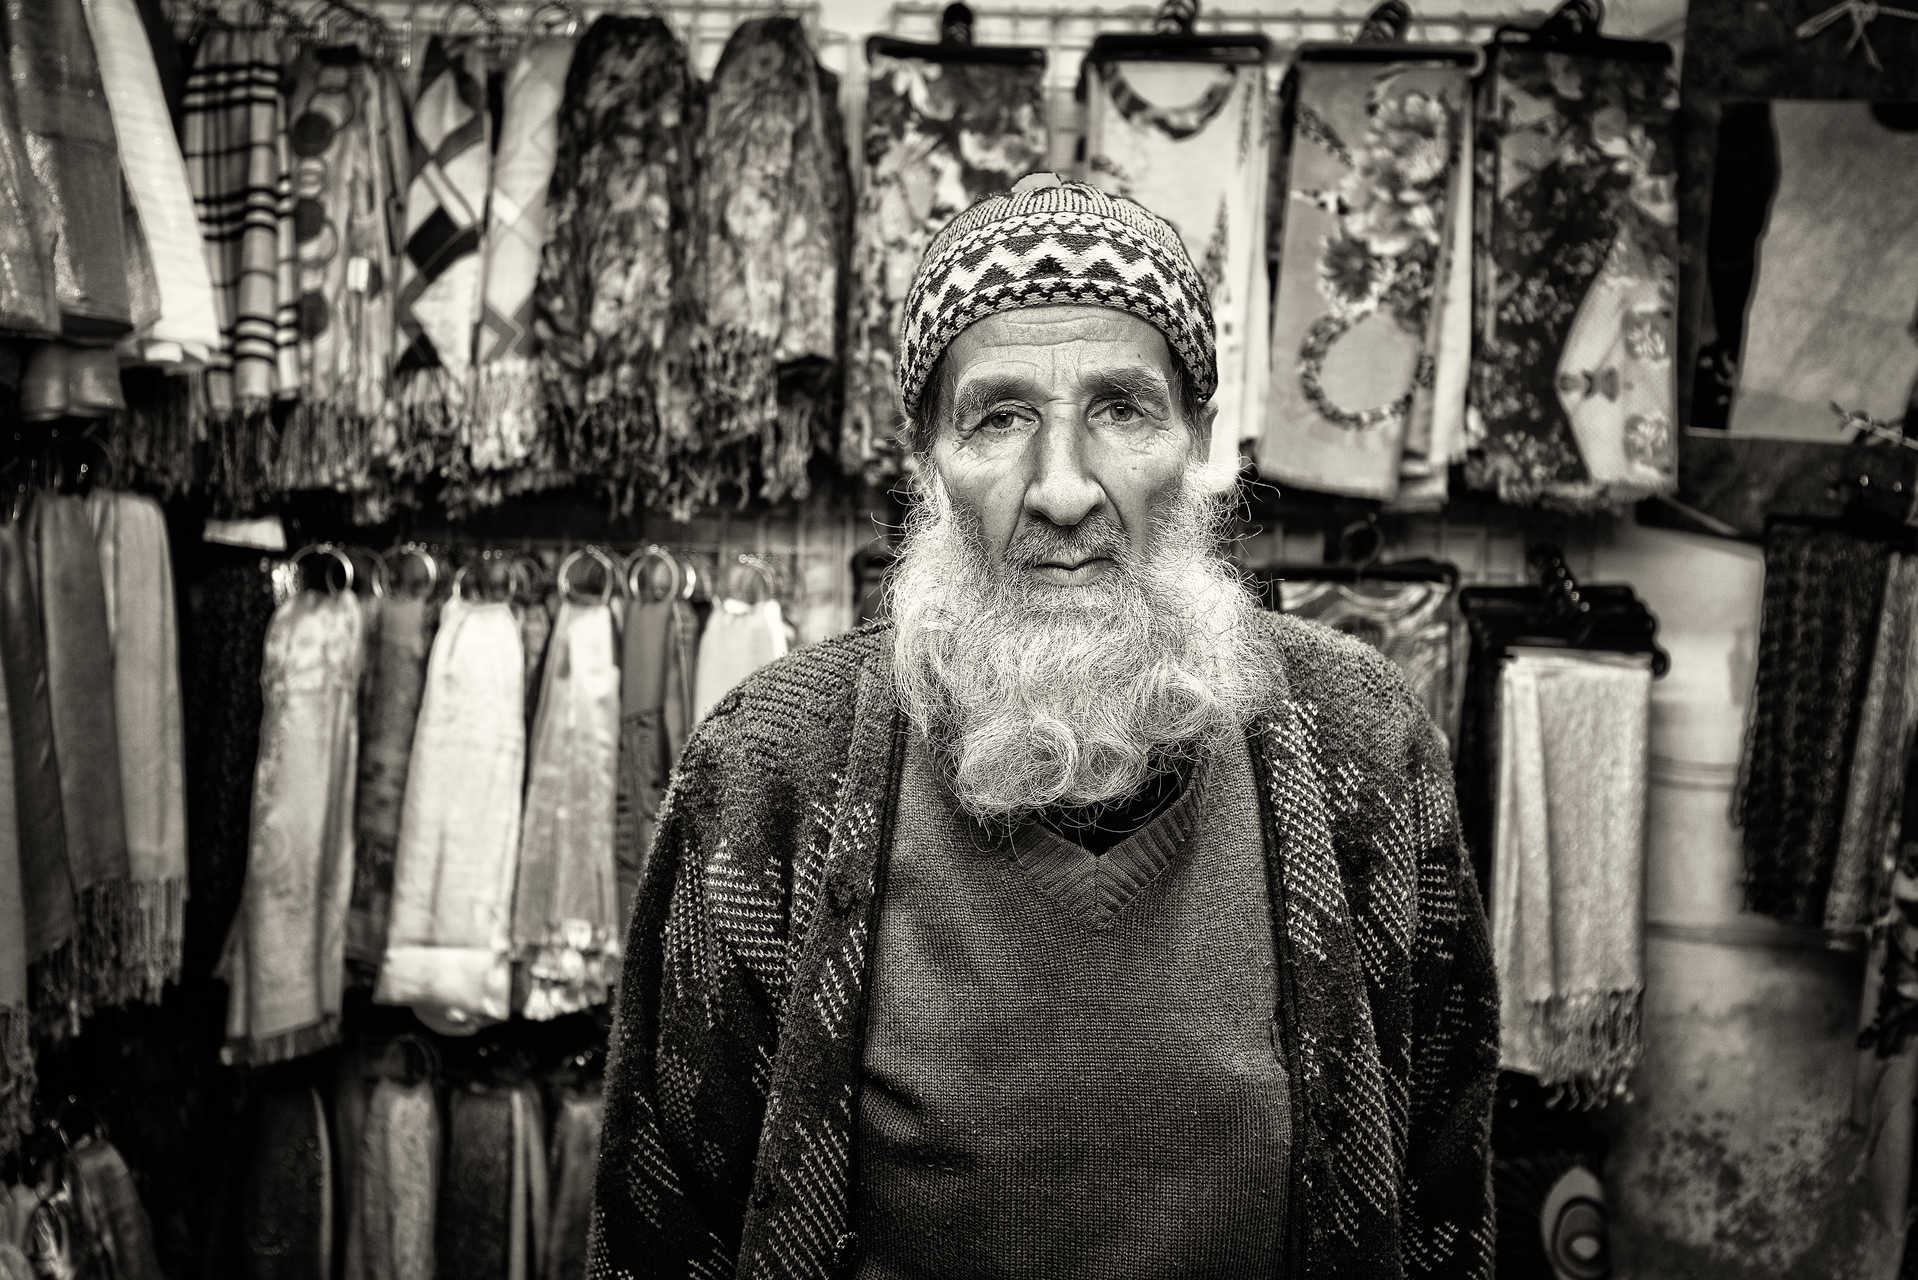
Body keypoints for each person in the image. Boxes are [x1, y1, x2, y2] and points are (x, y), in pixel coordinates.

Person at [589, 173, 1499, 1279]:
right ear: (928, 457)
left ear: (1197, 441)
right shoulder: (771, 767)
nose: (1062, 487)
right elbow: (661, 1220)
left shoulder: (1361, 741)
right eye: (999, 416)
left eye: (1120, 408)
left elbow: (1441, 1189)